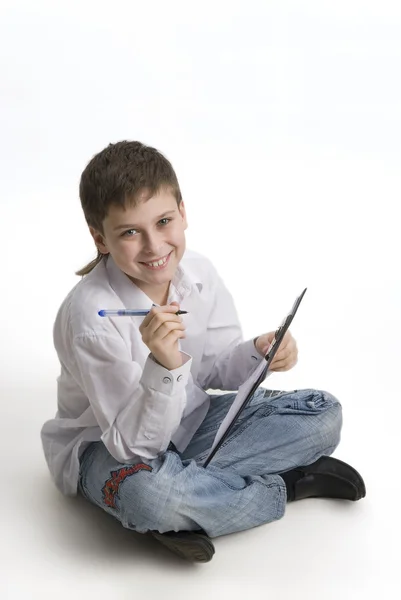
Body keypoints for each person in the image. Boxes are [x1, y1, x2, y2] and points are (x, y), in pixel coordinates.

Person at [41, 140, 366, 563]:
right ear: (100, 238)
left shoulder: (198, 272)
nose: (155, 247)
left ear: (183, 212)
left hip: (191, 420)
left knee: (324, 414)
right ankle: (287, 484)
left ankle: (192, 507)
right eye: (130, 233)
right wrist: (163, 364)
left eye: (163, 222)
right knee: (150, 497)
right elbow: (132, 447)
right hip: (106, 447)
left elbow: (213, 369)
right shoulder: (91, 318)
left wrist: (259, 351)